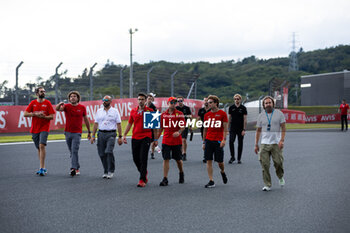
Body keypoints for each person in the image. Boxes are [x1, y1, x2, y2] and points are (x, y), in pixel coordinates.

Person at [56, 91, 91, 176]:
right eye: (71, 96)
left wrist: (89, 131)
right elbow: (57, 109)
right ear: (69, 99)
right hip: (67, 132)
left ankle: (73, 168)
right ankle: (77, 167)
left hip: (77, 133)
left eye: (74, 96)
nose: (73, 98)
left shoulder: (82, 107)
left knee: (74, 150)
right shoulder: (66, 106)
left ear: (78, 98)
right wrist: (60, 103)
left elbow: (86, 119)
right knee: (71, 152)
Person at [254, 96, 286, 191]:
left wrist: (282, 140)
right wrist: (256, 144)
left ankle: (280, 176)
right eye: (266, 103)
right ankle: (267, 184)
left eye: (269, 103)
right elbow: (258, 130)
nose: (268, 104)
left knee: (278, 163)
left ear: (273, 104)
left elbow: (283, 128)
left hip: (276, 143)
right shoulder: (261, 116)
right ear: (264, 105)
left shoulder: (279, 114)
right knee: (265, 165)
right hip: (264, 143)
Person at [123, 93, 154, 187]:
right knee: (135, 158)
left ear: (145, 100)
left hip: (146, 137)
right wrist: (124, 134)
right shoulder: (133, 111)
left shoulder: (149, 110)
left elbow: (155, 127)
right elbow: (129, 123)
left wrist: (155, 139)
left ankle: (142, 179)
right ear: (137, 100)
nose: (140, 101)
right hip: (135, 137)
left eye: (142, 99)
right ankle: (143, 172)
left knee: (143, 158)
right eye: (139, 99)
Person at [24, 87, 55, 176]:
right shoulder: (33, 103)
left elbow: (52, 116)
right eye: (41, 91)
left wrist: (44, 117)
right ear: (37, 93)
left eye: (44, 91)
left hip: (44, 127)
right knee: (39, 148)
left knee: (42, 145)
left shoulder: (47, 103)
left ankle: (41, 168)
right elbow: (25, 114)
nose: (43, 93)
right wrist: (35, 114)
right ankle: (43, 167)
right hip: (34, 129)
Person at [155, 97, 185, 186]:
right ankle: (165, 178)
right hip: (166, 140)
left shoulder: (179, 114)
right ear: (168, 103)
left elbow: (183, 126)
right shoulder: (163, 115)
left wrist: (179, 132)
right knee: (166, 159)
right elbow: (160, 128)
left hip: (176, 141)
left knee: (178, 160)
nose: (173, 104)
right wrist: (156, 139)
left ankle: (181, 172)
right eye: (171, 102)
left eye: (174, 102)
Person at [90, 96, 122, 179]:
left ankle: (111, 170)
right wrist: (93, 136)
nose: (104, 101)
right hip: (100, 134)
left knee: (108, 151)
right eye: (103, 100)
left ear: (110, 101)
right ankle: (105, 170)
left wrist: (120, 136)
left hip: (111, 134)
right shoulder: (99, 111)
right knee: (101, 153)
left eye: (106, 100)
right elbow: (96, 124)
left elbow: (119, 124)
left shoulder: (115, 111)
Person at [202, 95, 228, 188]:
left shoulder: (222, 114)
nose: (208, 104)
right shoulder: (206, 115)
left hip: (218, 140)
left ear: (215, 103)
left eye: (210, 102)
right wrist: (204, 142)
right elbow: (205, 129)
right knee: (209, 161)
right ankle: (211, 180)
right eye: (208, 102)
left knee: (219, 162)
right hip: (209, 140)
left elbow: (225, 129)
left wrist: (224, 140)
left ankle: (222, 171)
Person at [228, 94, 247, 164]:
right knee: (231, 141)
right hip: (233, 128)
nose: (236, 100)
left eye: (238, 99)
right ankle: (232, 157)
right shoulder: (231, 108)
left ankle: (239, 158)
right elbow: (229, 118)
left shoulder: (243, 108)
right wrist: (227, 128)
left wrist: (244, 129)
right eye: (235, 99)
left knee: (240, 143)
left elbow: (245, 119)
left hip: (240, 128)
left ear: (240, 99)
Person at [176, 96, 192, 161]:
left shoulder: (187, 108)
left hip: (184, 126)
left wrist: (190, 126)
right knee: (178, 140)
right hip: (177, 126)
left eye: (181, 101)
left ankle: (184, 153)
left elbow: (190, 117)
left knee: (183, 140)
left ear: (183, 101)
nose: (180, 102)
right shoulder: (176, 108)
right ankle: (179, 152)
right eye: (178, 101)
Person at [197, 97, 210, 163]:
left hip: (211, 128)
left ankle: (208, 155)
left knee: (210, 142)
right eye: (205, 100)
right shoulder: (201, 110)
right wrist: (198, 124)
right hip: (203, 128)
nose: (206, 102)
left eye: (207, 101)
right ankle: (206, 156)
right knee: (204, 141)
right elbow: (198, 118)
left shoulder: (211, 110)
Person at [146, 93, 157, 159]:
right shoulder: (143, 106)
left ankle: (152, 153)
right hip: (145, 125)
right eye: (148, 99)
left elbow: (156, 116)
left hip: (151, 124)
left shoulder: (153, 107)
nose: (149, 100)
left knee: (152, 140)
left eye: (150, 99)